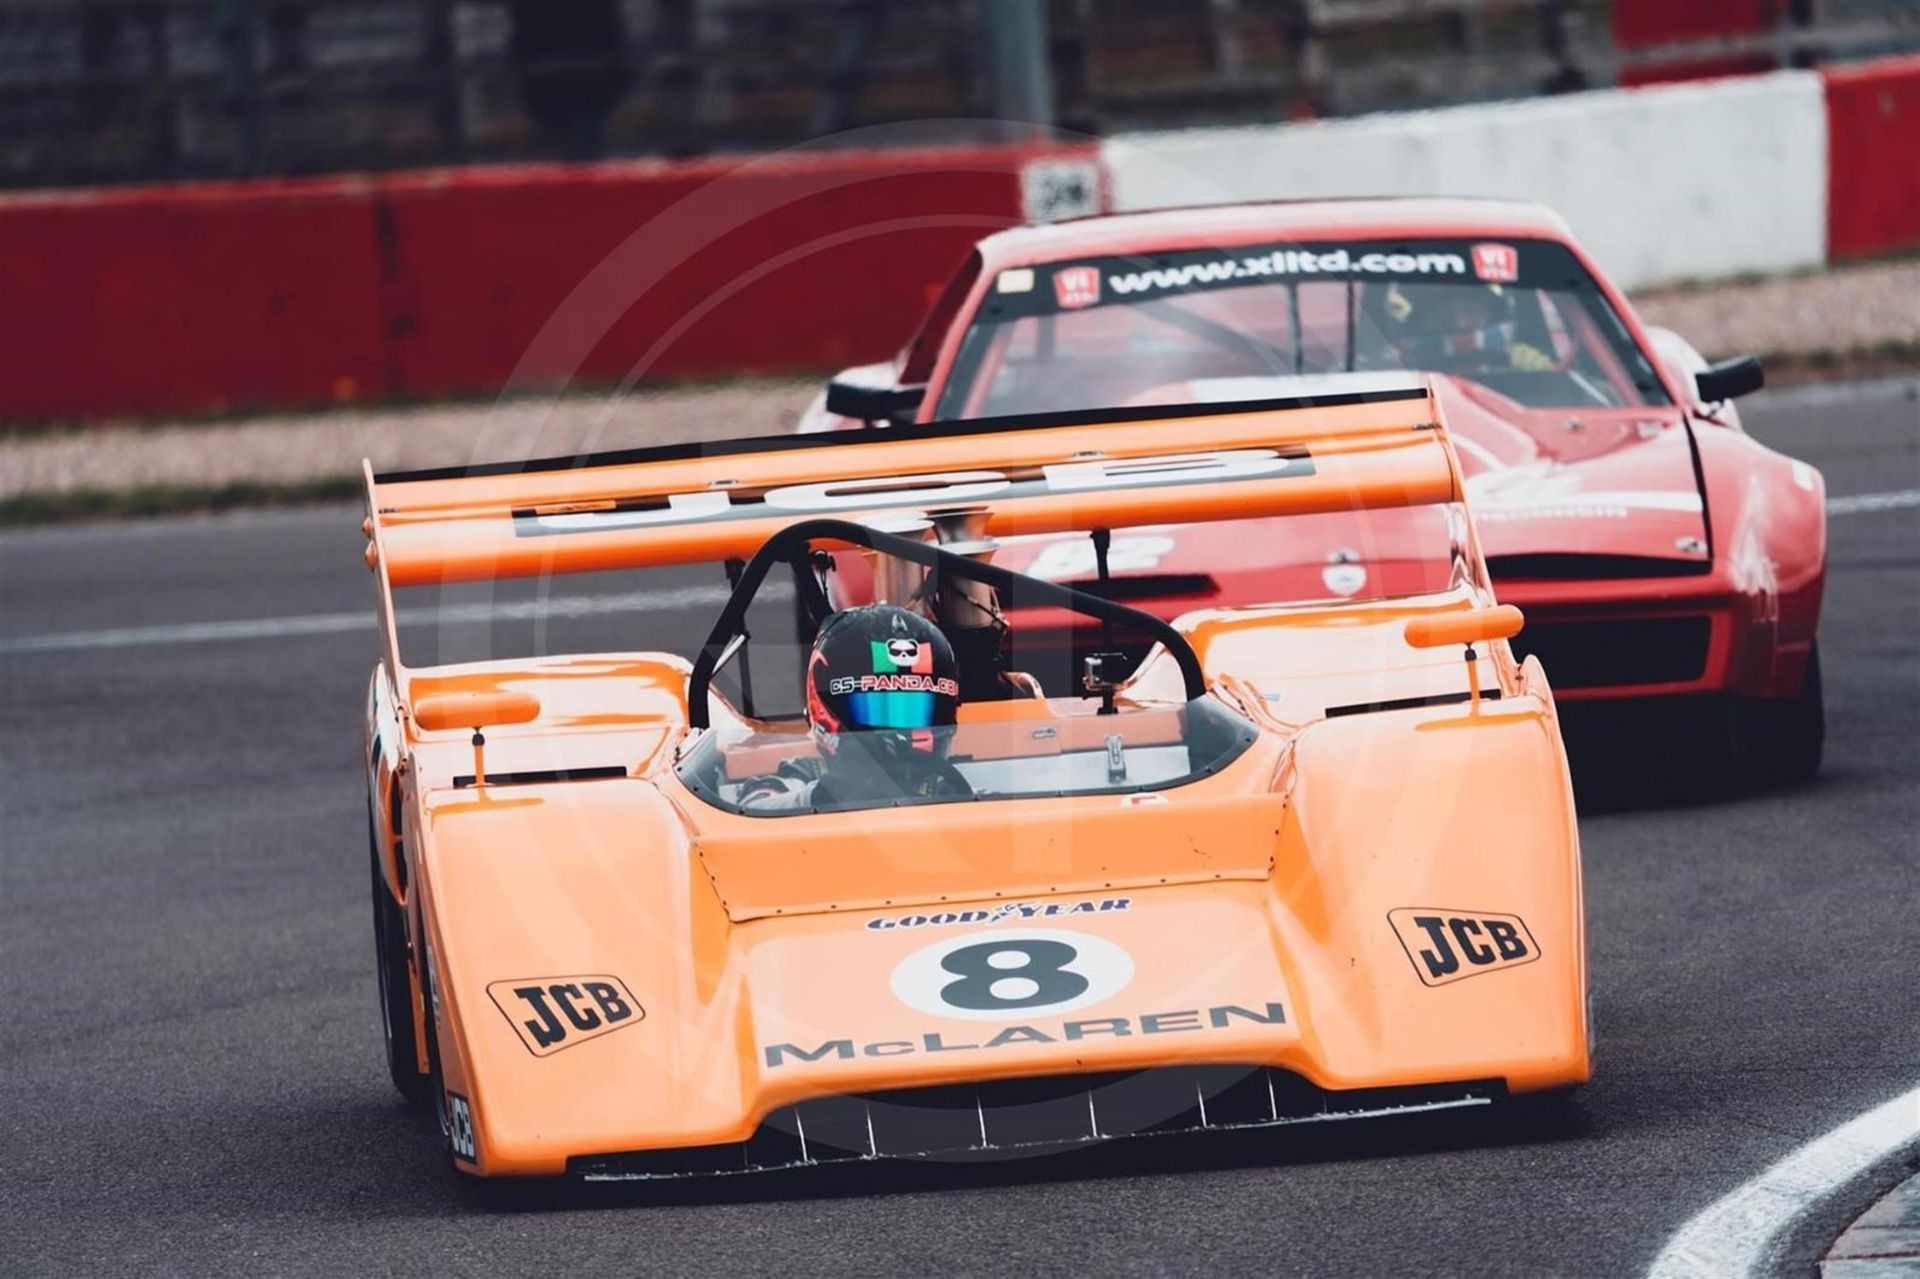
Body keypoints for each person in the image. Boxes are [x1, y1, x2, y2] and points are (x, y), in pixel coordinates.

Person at [738, 605, 969, 811]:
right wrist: (827, 796)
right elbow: (752, 810)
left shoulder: (955, 789)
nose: (901, 733)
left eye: (916, 713)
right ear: (824, 711)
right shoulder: (801, 776)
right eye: (879, 711)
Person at [1374, 281, 1557, 374]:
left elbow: (1553, 377)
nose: (1460, 324)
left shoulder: (1519, 357)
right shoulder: (1396, 363)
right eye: (1446, 317)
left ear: (1492, 317)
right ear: (1421, 323)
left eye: (1471, 313)